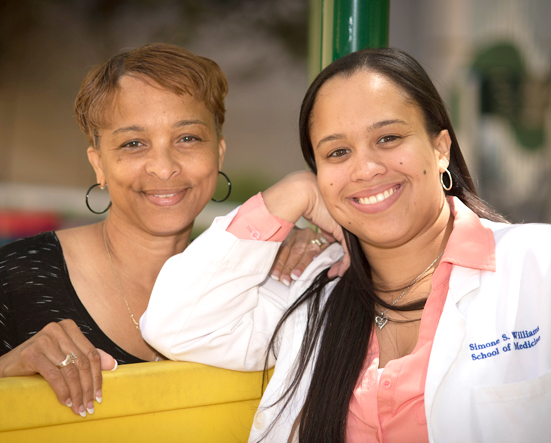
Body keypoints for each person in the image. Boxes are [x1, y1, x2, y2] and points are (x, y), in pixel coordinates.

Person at [141, 47, 551, 442]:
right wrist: (290, 196)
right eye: (337, 152)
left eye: (388, 138)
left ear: (440, 148)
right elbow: (173, 323)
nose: (366, 168)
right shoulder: (312, 292)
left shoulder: (536, 266)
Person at [0, 43, 328, 418]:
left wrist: (293, 240)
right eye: (133, 144)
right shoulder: (13, 281)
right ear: (98, 164)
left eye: (187, 138)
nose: (163, 168)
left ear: (219, 152)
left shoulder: (260, 276)